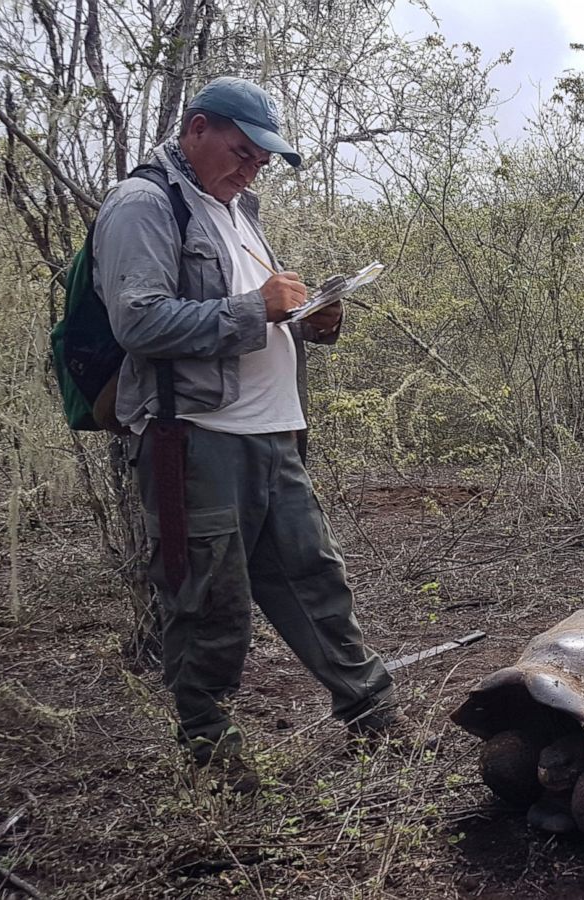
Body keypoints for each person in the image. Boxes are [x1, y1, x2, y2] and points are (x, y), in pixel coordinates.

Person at [95, 76, 397, 790]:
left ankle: (374, 715)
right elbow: (138, 321)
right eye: (242, 151)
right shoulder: (143, 204)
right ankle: (212, 752)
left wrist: (315, 320)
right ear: (197, 129)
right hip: (194, 438)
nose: (252, 167)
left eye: (262, 158)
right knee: (208, 598)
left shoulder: (238, 210)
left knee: (314, 580)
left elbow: (258, 314)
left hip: (273, 432)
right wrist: (254, 308)